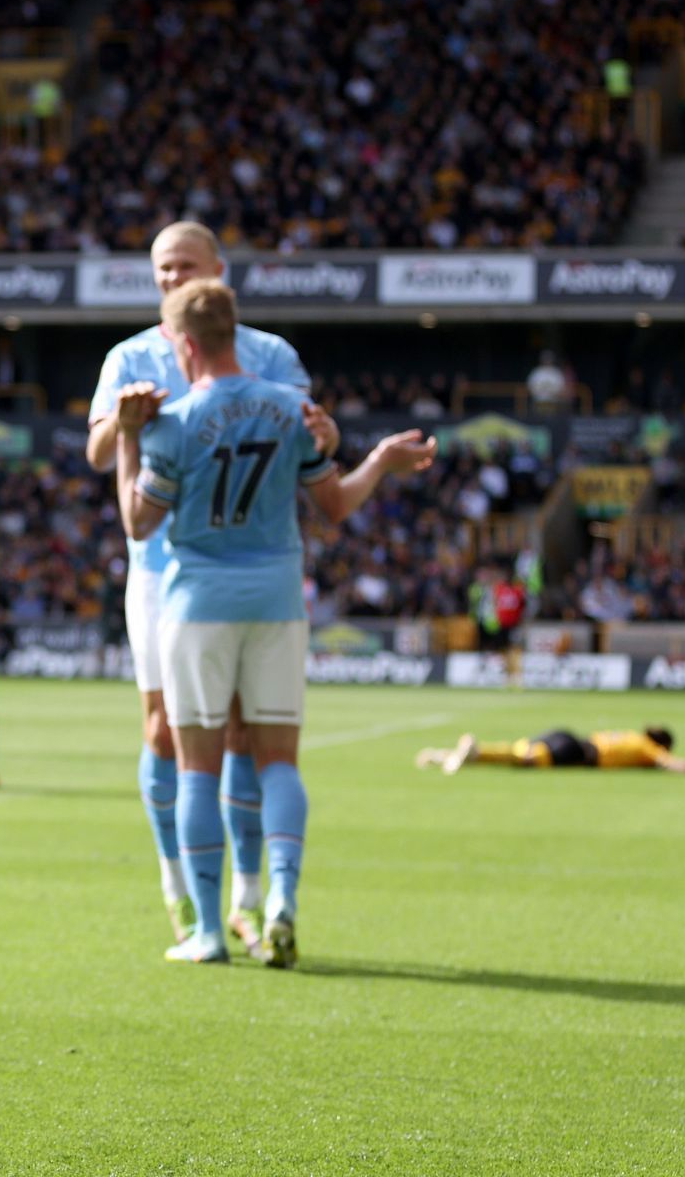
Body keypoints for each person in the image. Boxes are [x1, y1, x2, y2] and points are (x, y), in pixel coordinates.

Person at [115, 279, 435, 967]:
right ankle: (281, 900)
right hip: (278, 602)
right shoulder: (296, 410)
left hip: (197, 605)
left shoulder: (172, 421)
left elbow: (138, 523)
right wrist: (378, 459)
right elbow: (337, 505)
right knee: (279, 762)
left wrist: (128, 442)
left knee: (198, 768)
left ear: (186, 344)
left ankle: (206, 931)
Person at [85, 220, 338, 950]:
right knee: (165, 730)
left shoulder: (269, 354)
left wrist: (337, 442)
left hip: (230, 564)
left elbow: (310, 435)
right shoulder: (130, 355)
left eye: (185, 265)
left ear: (219, 271)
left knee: (236, 735)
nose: (172, 277)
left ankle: (246, 900)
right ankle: (181, 885)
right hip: (163, 574)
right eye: (163, 268)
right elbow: (99, 450)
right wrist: (125, 424)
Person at [417, 728, 685, 775]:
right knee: (524, 759)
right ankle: (475, 752)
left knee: (518, 750)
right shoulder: (648, 747)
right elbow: (670, 763)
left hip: (569, 736)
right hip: (577, 752)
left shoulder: (631, 735)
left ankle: (440, 755)